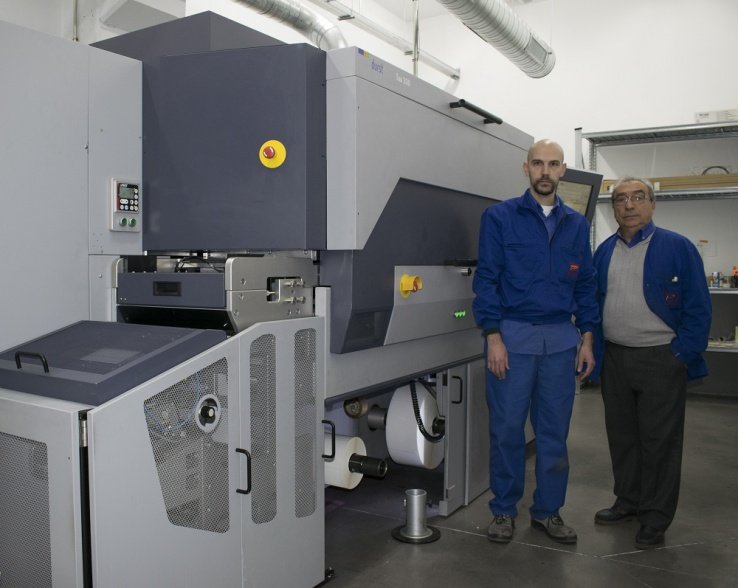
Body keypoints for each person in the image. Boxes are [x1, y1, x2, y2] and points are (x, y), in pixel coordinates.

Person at [472, 139, 598, 545]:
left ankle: (548, 511)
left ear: (563, 171)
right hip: (513, 338)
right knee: (508, 429)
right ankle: (504, 510)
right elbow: (486, 280)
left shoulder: (576, 224)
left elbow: (587, 285)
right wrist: (493, 335)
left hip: (561, 340)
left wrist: (588, 338)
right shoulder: (500, 217)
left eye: (554, 164)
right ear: (525, 168)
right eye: (538, 163)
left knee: (553, 433)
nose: (546, 171)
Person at [591, 176, 711, 549]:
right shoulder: (604, 251)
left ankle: (655, 517)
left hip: (661, 358)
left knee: (659, 441)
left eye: (637, 197)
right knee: (623, 437)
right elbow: (594, 305)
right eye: (621, 199)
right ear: (614, 208)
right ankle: (628, 501)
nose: (628, 205)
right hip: (616, 357)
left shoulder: (678, 247)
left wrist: (681, 355)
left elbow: (698, 308)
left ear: (652, 204)